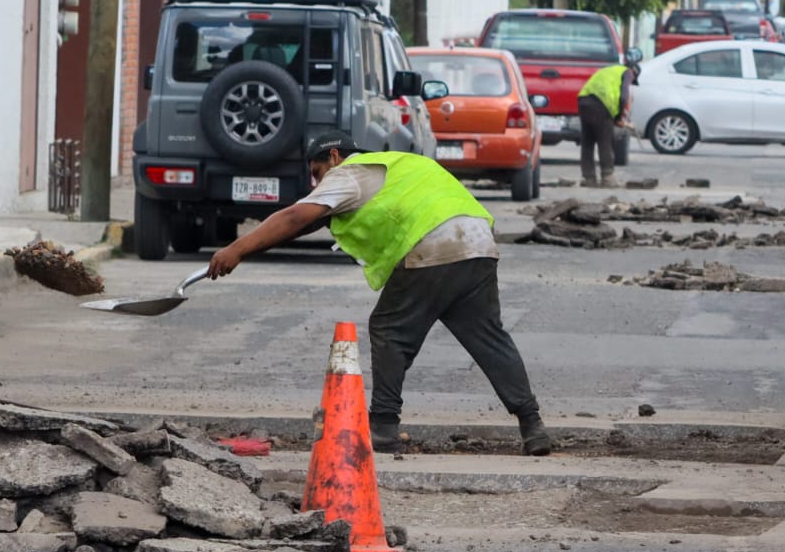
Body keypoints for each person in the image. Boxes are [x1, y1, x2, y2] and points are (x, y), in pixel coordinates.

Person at [206, 131, 552, 456]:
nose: (317, 183)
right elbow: (310, 222)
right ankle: (532, 425)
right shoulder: (399, 163)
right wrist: (250, 249)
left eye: (317, 172)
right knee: (489, 339)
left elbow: (297, 216)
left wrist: (235, 249)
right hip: (477, 243)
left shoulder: (349, 173)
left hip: (431, 245)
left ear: (335, 156)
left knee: (389, 330)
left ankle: (384, 427)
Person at [576, 61, 632, 187]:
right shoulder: (627, 72)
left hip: (583, 101)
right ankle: (607, 177)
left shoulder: (607, 70)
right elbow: (624, 96)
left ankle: (588, 178)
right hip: (601, 105)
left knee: (587, 142)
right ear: (634, 71)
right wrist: (618, 116)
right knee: (605, 141)